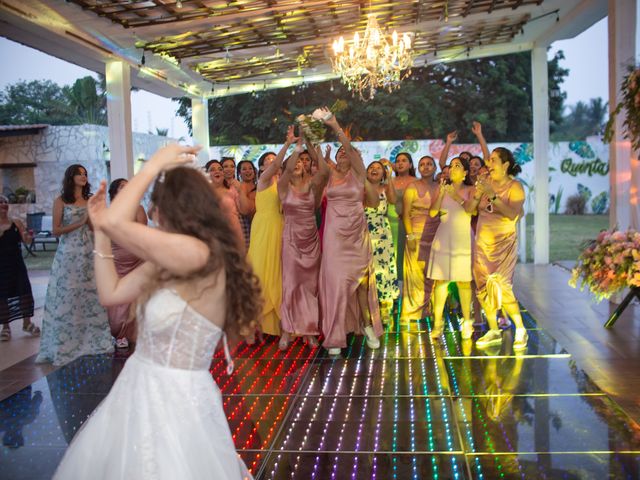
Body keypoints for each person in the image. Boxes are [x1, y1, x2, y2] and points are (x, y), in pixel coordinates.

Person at [53, 144, 258, 480]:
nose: (150, 208)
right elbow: (111, 293)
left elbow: (117, 219)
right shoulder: (166, 260)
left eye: (155, 201)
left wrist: (153, 165)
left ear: (174, 208)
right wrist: (102, 237)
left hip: (177, 401)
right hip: (137, 389)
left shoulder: (198, 255)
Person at [318, 109, 382, 355]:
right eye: (339, 152)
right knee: (335, 284)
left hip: (356, 233)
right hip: (334, 234)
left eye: (347, 151)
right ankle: (334, 334)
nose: (343, 153)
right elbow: (316, 159)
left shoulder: (358, 172)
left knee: (362, 284)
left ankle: (366, 325)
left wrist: (335, 125)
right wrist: (309, 138)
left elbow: (350, 148)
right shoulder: (330, 174)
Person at [36, 165, 112, 366]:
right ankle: (65, 344)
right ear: (71, 177)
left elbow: (93, 228)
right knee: (67, 296)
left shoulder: (88, 201)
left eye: (85, 173)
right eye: (79, 173)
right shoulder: (60, 201)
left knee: (89, 296)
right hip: (68, 253)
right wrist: (80, 223)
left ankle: (92, 341)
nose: (84, 176)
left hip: (87, 252)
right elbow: (56, 230)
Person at [470, 147, 528, 350]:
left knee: (502, 286)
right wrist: (478, 195)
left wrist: (491, 195)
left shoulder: (515, 187)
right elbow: (470, 210)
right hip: (482, 244)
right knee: (483, 287)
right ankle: (493, 329)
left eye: (493, 160)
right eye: (489, 160)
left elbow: (512, 214)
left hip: (504, 244)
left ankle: (520, 329)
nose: (489, 164)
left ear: (505, 165)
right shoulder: (486, 184)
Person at [278, 138, 329, 349]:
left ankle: (309, 331)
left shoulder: (312, 185)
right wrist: (295, 148)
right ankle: (287, 331)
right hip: (291, 238)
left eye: (301, 162)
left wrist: (312, 143)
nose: (298, 164)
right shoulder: (283, 186)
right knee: (290, 285)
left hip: (310, 239)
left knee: (309, 286)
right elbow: (289, 166)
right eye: (294, 162)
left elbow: (325, 173)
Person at [246, 133, 293, 342]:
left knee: (279, 273)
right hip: (264, 228)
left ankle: (279, 324)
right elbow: (277, 167)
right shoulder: (264, 180)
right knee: (261, 272)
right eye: (269, 161)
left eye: (275, 161)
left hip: (281, 227)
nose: (273, 164)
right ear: (262, 167)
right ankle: (256, 324)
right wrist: (288, 144)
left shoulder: (284, 184)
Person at [427, 157, 476, 340]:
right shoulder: (442, 189)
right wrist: (441, 193)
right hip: (444, 237)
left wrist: (455, 195)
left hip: (463, 238)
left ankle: (467, 321)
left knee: (464, 282)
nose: (453, 169)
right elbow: (432, 213)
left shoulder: (471, 190)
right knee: (441, 282)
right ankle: (438, 324)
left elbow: (472, 210)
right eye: (451, 166)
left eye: (458, 166)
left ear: (465, 173)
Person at [105, 179, 148, 350]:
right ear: (114, 192)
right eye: (123, 187)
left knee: (137, 297)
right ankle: (119, 332)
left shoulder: (138, 209)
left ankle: (136, 332)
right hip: (117, 258)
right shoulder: (109, 212)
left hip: (136, 256)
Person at [401, 156, 439, 323]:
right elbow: (406, 214)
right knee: (415, 275)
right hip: (416, 235)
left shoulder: (440, 187)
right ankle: (411, 312)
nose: (425, 167)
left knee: (433, 275)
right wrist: (409, 235)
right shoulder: (412, 187)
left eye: (429, 164)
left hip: (437, 237)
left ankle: (429, 309)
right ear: (417, 168)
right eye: (422, 164)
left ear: (435, 167)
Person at [364, 161, 399, 324]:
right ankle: (367, 308)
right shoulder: (360, 188)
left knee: (383, 270)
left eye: (378, 168)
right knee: (366, 271)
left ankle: (385, 306)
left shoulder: (385, 188)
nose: (374, 169)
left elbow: (392, 200)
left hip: (381, 233)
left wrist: (390, 177)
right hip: (362, 232)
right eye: (371, 167)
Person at [0, 195, 39, 341]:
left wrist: (28, 235)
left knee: (23, 291)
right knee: (2, 296)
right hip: (1, 266)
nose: (4, 204)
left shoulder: (16, 222)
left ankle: (27, 323)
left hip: (16, 264)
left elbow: (27, 241)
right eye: (0, 202)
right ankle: (5, 327)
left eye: (5, 202)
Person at [387, 152, 416, 284]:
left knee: (409, 257)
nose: (400, 163)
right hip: (391, 225)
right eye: (397, 160)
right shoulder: (389, 181)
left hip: (411, 225)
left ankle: (408, 289)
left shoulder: (416, 182)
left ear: (410, 164)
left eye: (404, 160)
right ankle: (393, 290)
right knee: (391, 256)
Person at [207, 160, 245, 247]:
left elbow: (243, 210)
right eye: (212, 169)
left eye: (220, 169)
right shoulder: (203, 191)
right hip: (213, 232)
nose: (217, 171)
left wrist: (241, 191)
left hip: (233, 231)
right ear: (206, 174)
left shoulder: (232, 189)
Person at [237, 160, 258, 251]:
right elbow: (244, 210)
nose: (248, 171)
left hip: (259, 226)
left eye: (250, 168)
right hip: (243, 229)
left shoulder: (260, 187)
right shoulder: (236, 188)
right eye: (244, 169)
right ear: (239, 173)